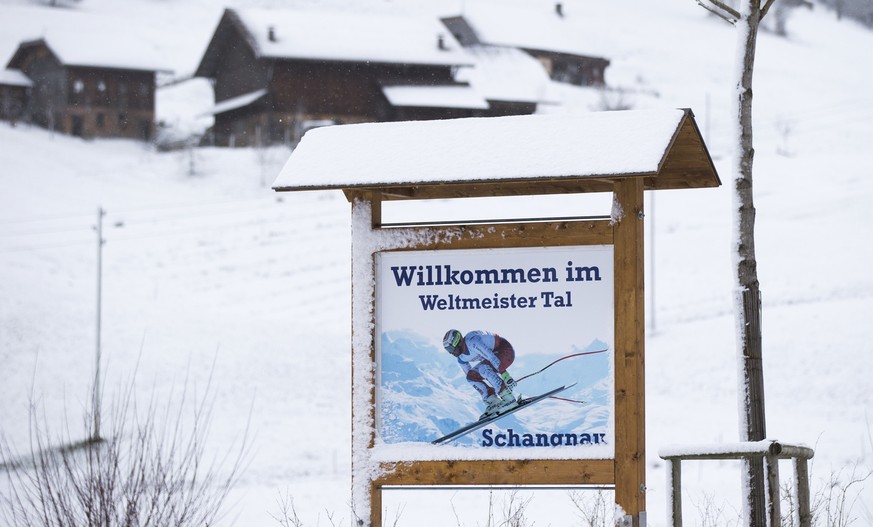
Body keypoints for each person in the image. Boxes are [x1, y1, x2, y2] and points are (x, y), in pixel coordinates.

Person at [442, 329, 520, 419]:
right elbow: (471, 376)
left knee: (483, 368)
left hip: (505, 351)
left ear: (457, 342)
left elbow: (491, 357)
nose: (451, 353)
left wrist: (505, 376)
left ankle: (508, 398)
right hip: (495, 357)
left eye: (450, 348)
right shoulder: (461, 358)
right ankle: (493, 401)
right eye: (448, 350)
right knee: (471, 377)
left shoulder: (473, 342)